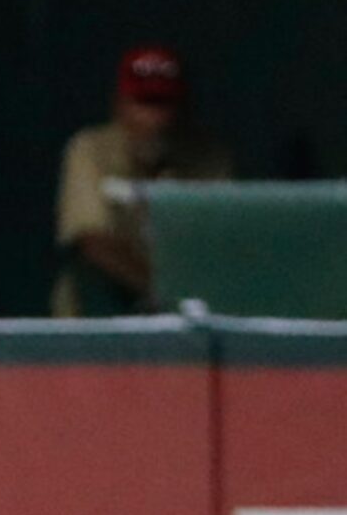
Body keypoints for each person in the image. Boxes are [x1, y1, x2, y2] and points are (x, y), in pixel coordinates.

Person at [52, 44, 232, 316]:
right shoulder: (90, 149)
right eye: (144, 102)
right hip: (101, 314)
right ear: (119, 105)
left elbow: (225, 243)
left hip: (193, 312)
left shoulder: (211, 158)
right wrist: (164, 294)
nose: (155, 118)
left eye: (163, 103)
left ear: (184, 108)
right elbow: (92, 241)